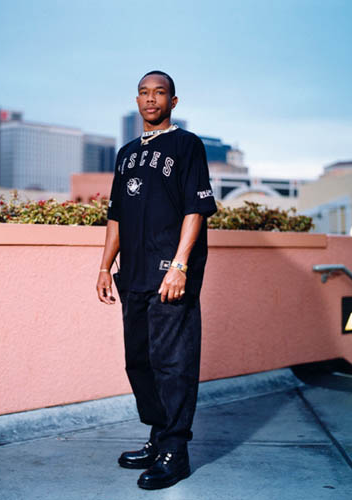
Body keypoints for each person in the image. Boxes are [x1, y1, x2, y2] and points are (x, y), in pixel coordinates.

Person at [96, 70, 217, 490]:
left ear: (173, 101)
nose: (151, 100)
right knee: (140, 361)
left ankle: (176, 451)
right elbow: (115, 215)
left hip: (170, 273)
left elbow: (195, 209)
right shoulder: (126, 153)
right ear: (137, 100)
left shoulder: (187, 145)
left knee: (173, 363)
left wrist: (180, 265)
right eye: (145, 93)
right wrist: (102, 266)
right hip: (132, 275)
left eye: (159, 93)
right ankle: (157, 437)